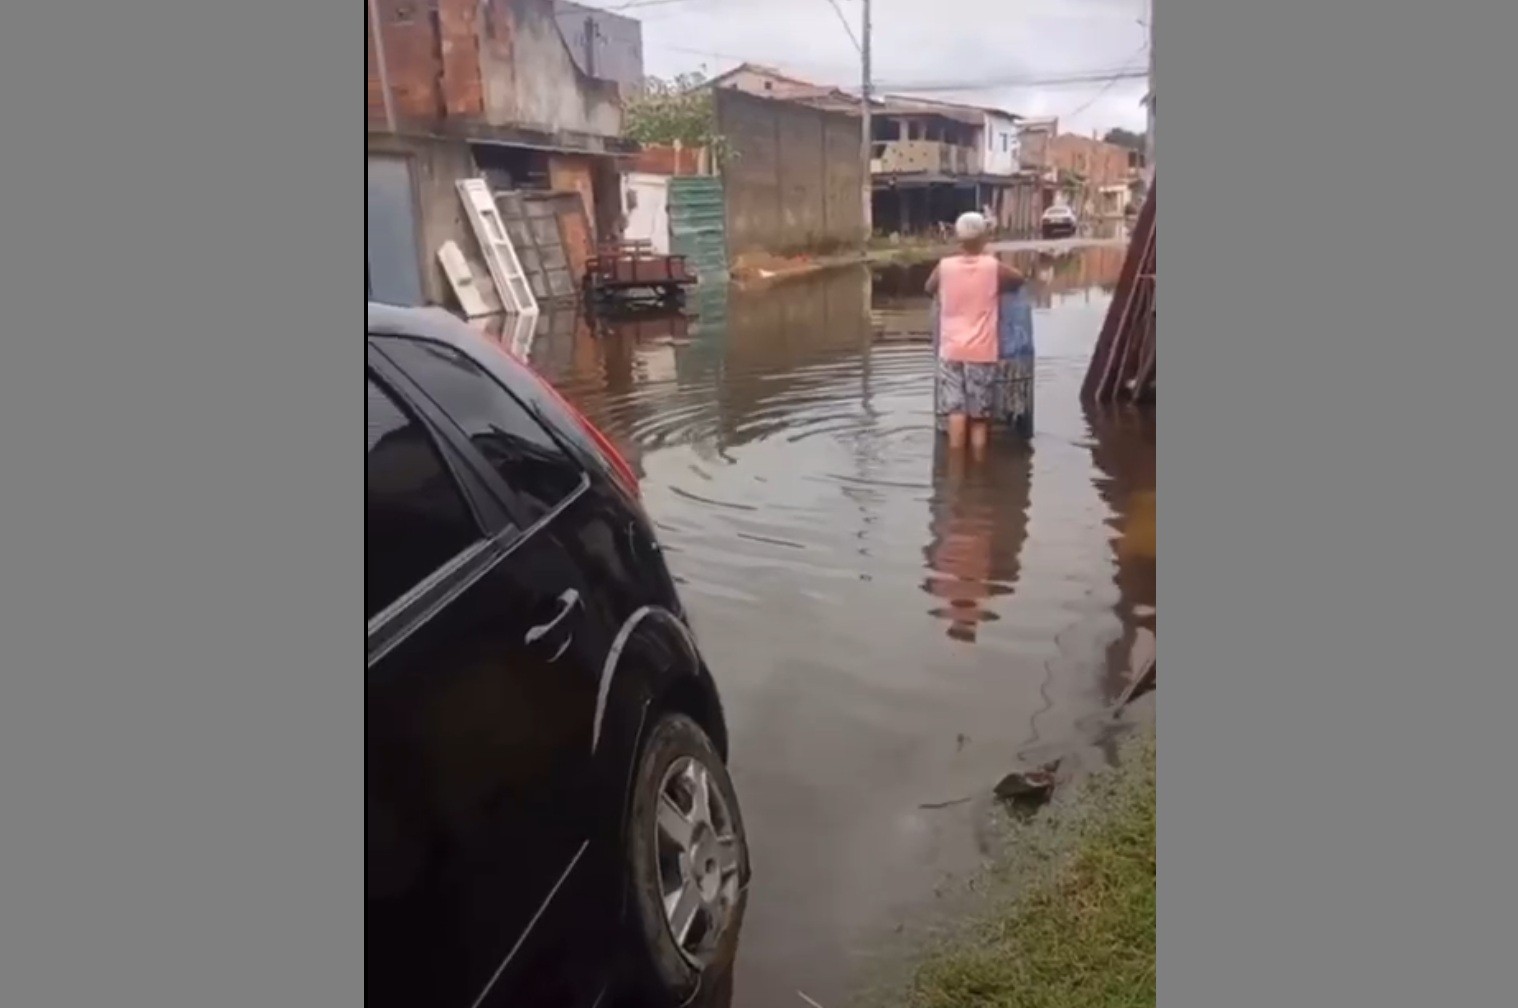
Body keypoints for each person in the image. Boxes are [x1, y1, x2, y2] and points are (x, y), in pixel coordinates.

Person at [926, 212, 1024, 459]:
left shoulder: (944, 267)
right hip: (981, 351)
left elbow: (928, 288)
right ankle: (979, 475)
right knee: (979, 417)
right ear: (985, 239)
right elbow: (1019, 279)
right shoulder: (992, 266)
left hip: (950, 351)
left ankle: (957, 471)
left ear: (958, 240)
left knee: (956, 412)